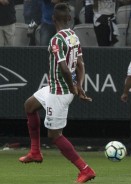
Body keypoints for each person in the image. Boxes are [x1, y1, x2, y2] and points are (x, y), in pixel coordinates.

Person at [19, 3, 95, 183]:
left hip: (60, 92)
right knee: (29, 105)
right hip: (55, 87)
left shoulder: (56, 40)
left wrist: (73, 88)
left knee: (54, 135)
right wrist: (79, 85)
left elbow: (65, 69)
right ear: (69, 18)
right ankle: (35, 152)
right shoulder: (73, 36)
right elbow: (81, 65)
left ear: (53, 19)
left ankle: (85, 169)